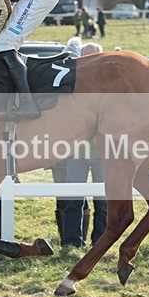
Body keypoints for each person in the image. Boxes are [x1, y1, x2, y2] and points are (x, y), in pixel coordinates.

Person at [60, 42, 107, 248]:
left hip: (104, 153)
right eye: (84, 58)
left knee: (103, 202)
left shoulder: (110, 86)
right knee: (73, 201)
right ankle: (71, 242)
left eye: (92, 58)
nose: (88, 62)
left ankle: (100, 242)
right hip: (76, 152)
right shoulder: (72, 84)